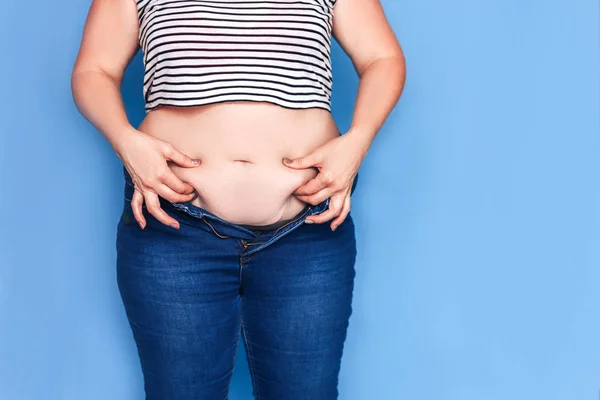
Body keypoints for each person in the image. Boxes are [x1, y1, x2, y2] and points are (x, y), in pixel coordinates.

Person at [71, 0, 405, 398]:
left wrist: (358, 141)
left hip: (308, 232)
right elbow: (94, 70)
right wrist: (126, 141)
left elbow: (383, 58)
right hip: (174, 229)